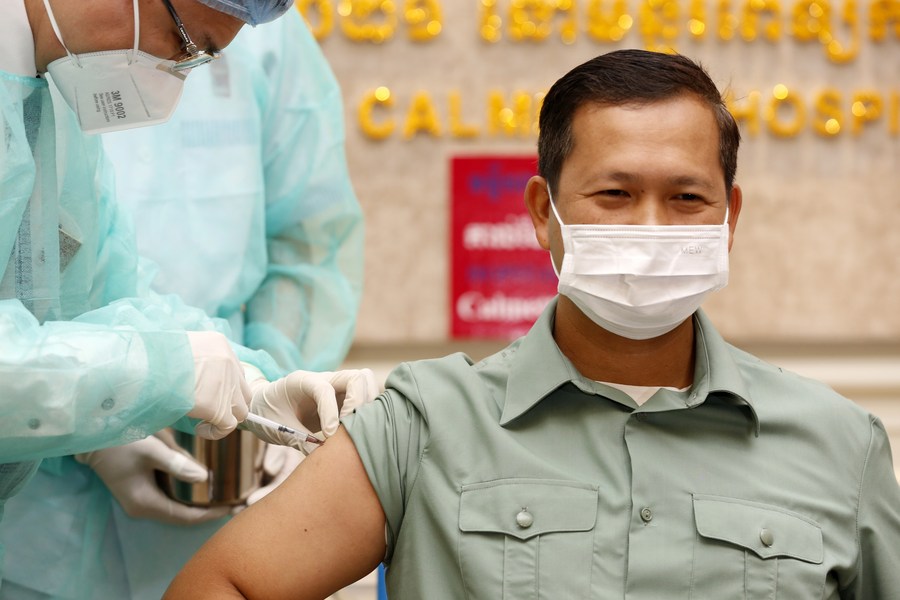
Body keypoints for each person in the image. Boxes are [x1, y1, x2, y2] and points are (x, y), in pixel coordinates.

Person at [166, 49, 900, 599]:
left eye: (686, 198)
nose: (650, 227)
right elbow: (223, 584)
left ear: (729, 216)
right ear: (544, 213)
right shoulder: (426, 425)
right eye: (614, 194)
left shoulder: (839, 446)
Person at [0, 5, 370, 597]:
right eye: (188, 42)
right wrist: (158, 379)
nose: (178, 73)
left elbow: (109, 286)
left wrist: (253, 382)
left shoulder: (50, 101)